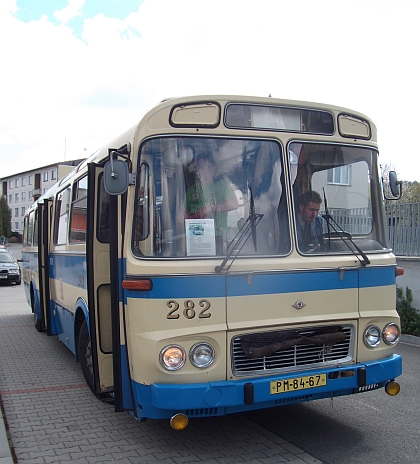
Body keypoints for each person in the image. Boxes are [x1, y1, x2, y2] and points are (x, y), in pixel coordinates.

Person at [184, 152, 238, 248]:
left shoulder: (222, 185)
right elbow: (181, 216)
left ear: (213, 168)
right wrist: (193, 216)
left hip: (218, 237)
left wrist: (213, 207)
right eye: (198, 166)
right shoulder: (192, 191)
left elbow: (234, 204)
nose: (198, 169)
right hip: (194, 237)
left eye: (202, 165)